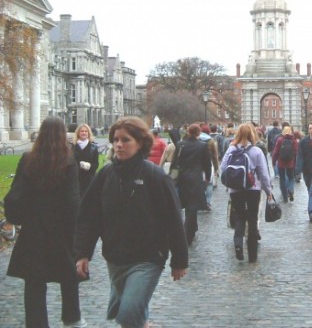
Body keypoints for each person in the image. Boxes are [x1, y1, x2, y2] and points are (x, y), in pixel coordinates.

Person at [73, 116, 188, 328]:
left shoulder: (155, 176)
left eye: (125, 140)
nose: (118, 145)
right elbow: (89, 217)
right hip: (115, 256)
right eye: (115, 139)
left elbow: (173, 218)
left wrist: (179, 259)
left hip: (148, 257)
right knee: (132, 316)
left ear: (140, 143)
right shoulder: (106, 175)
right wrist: (82, 253)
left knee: (127, 314)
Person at [6, 116, 86, 327]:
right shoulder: (68, 162)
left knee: (34, 281)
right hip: (61, 229)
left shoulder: (27, 159)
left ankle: (36, 323)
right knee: (68, 277)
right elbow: (72, 202)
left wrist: (18, 218)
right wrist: (76, 233)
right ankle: (72, 319)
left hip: (34, 229)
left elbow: (16, 196)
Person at [220, 123, 273, 263]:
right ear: (252, 135)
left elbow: (223, 168)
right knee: (252, 219)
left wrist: (228, 185)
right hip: (253, 189)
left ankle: (238, 244)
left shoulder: (231, 150)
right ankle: (252, 254)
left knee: (239, 217)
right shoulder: (256, 151)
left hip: (235, 190)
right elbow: (263, 174)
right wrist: (268, 191)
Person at [175, 123, 212, 245]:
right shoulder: (202, 146)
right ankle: (188, 234)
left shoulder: (180, 145)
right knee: (192, 206)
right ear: (198, 133)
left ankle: (191, 229)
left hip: (182, 178)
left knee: (187, 205)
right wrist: (207, 177)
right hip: (196, 178)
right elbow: (207, 164)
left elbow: (175, 163)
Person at [295, 122, 312, 223]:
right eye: (310, 128)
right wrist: (298, 171)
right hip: (307, 171)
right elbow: (300, 156)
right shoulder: (303, 142)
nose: (311, 130)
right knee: (311, 190)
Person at [272, 125, 298, 203]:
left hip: (281, 163)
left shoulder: (280, 140)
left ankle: (285, 197)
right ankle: (290, 189)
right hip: (290, 162)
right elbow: (296, 152)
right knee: (291, 178)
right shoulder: (294, 140)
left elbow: (275, 152)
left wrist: (273, 162)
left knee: (282, 179)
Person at [72, 123, 99, 197]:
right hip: (76, 179)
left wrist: (89, 166)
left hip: (88, 179)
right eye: (82, 131)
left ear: (88, 133)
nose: (84, 133)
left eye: (86, 131)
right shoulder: (72, 147)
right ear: (78, 133)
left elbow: (96, 164)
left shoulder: (93, 147)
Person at [199, 123, 219, 210]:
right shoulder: (211, 141)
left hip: (198, 164)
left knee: (199, 184)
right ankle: (208, 202)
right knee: (209, 184)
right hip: (209, 163)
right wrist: (216, 167)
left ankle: (200, 202)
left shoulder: (197, 140)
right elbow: (215, 156)